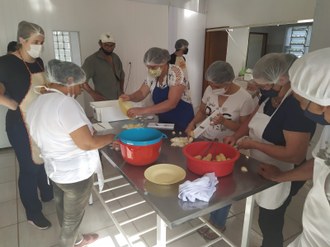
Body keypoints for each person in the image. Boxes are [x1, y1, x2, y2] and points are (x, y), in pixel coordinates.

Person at [208, 53, 316, 246]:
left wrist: (253, 144)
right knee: (260, 211)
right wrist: (236, 136)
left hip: (286, 169)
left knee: (269, 221)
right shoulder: (268, 98)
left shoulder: (294, 106)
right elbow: (250, 120)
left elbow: (296, 154)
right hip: (261, 165)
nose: (262, 89)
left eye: (265, 85)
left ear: (282, 80)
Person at [26, 59, 116, 247]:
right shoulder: (65, 103)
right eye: (80, 84)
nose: (82, 89)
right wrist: (111, 137)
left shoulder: (36, 103)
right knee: (72, 220)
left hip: (55, 170)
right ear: (68, 80)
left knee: (62, 208)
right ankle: (68, 243)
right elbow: (87, 143)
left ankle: (77, 239)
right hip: (76, 174)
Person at [259, 47, 330, 247]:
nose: (299, 107)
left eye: (301, 102)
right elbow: (321, 163)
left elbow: (295, 153)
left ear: (324, 102)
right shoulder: (328, 128)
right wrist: (279, 177)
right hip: (314, 233)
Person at [0, 20, 53, 229]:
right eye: (35, 41)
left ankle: (47, 194)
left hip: (40, 121)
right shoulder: (5, 63)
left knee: (43, 159)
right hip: (20, 125)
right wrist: (10, 103)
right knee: (30, 167)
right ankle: (33, 212)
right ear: (22, 40)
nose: (39, 45)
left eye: (42, 41)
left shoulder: (38, 62)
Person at [121, 47, 194, 131]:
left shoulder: (176, 73)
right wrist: (130, 97)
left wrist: (142, 111)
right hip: (164, 120)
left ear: (164, 63)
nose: (150, 70)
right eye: (148, 67)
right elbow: (141, 92)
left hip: (182, 119)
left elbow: (171, 103)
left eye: (153, 67)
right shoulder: (152, 75)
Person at [185, 60, 256, 142]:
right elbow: (202, 111)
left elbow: (244, 129)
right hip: (205, 137)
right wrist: (192, 124)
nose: (213, 89)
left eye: (217, 87)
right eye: (211, 85)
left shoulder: (245, 98)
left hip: (226, 143)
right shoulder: (209, 90)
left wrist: (224, 121)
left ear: (229, 82)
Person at [82, 32, 125, 101]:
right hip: (102, 101)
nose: (109, 48)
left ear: (115, 45)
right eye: (106, 45)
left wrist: (121, 91)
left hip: (118, 100)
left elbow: (121, 76)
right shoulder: (92, 60)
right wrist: (93, 94)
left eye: (112, 45)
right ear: (100, 44)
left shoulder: (116, 57)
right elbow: (81, 79)